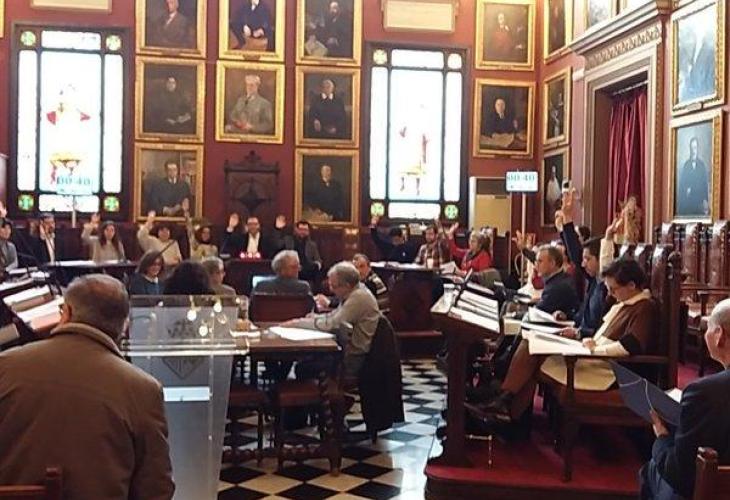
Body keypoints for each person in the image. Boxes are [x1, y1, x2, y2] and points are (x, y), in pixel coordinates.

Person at [0, 274, 174, 499]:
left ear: (67, 312)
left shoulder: (6, 366)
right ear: (125, 325)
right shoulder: (143, 389)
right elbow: (156, 489)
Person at [484, 258, 657, 422]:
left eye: (614, 289)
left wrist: (595, 349)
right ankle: (506, 410)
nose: (610, 294)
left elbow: (631, 345)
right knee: (530, 345)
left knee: (531, 356)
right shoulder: (625, 303)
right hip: (592, 358)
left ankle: (506, 409)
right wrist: (582, 338)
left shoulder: (644, 307)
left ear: (631, 285)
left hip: (604, 371)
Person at [640, 298, 730, 500]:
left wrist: (662, 437)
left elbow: (679, 474)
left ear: (719, 335)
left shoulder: (704, 392)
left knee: (652, 469)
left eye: (707, 328)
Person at [286, 261, 380, 380]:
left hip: (352, 359)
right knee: (307, 360)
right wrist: (315, 318)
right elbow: (334, 316)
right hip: (345, 350)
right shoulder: (354, 292)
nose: (331, 290)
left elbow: (333, 324)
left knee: (303, 367)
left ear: (347, 285)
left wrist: (298, 323)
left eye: (334, 286)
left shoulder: (358, 298)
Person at [554, 190, 609, 339]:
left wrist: (578, 333)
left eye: (588, 259)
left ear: (601, 259)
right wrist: (567, 315)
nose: (583, 264)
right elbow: (576, 256)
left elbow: (600, 329)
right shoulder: (594, 280)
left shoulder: (607, 287)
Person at [316, 253, 390, 313]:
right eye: (356, 267)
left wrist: (329, 302)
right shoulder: (360, 281)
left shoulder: (372, 282)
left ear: (369, 268)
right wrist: (328, 299)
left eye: (362, 266)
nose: (359, 271)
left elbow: (355, 303)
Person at [676, 137, 710, 217]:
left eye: (695, 148)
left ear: (697, 149)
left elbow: (704, 185)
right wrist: (686, 190)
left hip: (699, 201)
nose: (693, 151)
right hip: (689, 202)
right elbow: (682, 184)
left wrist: (705, 201)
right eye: (691, 148)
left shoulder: (702, 165)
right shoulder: (686, 165)